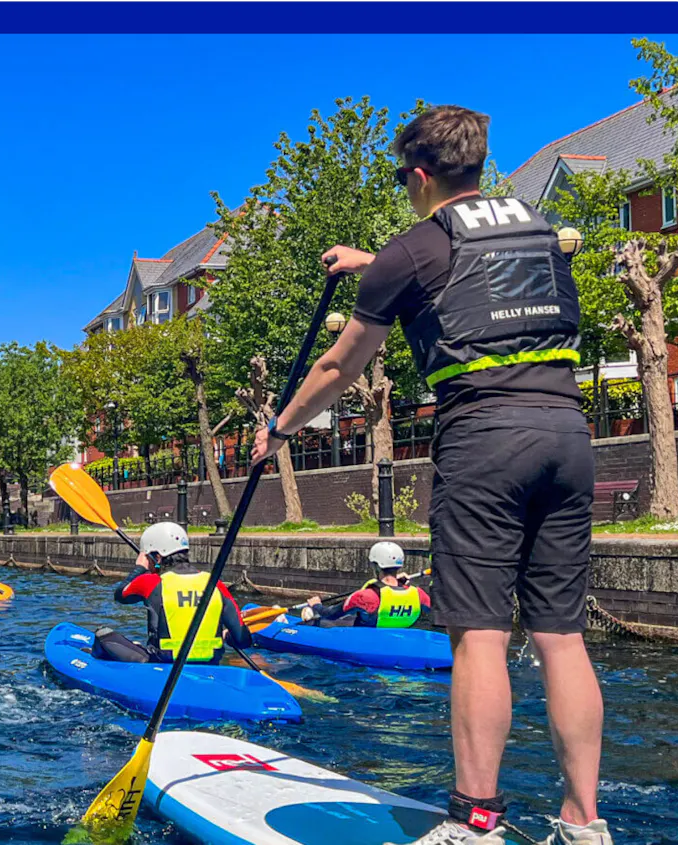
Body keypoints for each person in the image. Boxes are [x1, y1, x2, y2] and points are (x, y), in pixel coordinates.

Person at [249, 105, 606, 845]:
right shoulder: (540, 227)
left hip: (487, 441)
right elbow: (478, 272)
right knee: (561, 638)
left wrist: (278, 428)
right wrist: (373, 263)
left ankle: (474, 822)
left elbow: (338, 366)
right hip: (570, 434)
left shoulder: (411, 250)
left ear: (418, 175)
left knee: (479, 636)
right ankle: (584, 824)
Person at [94, 521, 252, 665]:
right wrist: (226, 636)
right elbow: (243, 640)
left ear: (157, 557)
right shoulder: (215, 584)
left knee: (103, 635)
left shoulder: (152, 582)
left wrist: (140, 568)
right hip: (209, 665)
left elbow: (120, 595)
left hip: (163, 665)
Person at [297, 541, 431, 628]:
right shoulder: (418, 593)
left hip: (368, 638)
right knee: (351, 617)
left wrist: (317, 605)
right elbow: (436, 610)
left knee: (319, 621)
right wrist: (401, 585)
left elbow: (330, 614)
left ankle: (308, 619)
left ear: (376, 566)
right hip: (401, 637)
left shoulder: (366, 597)